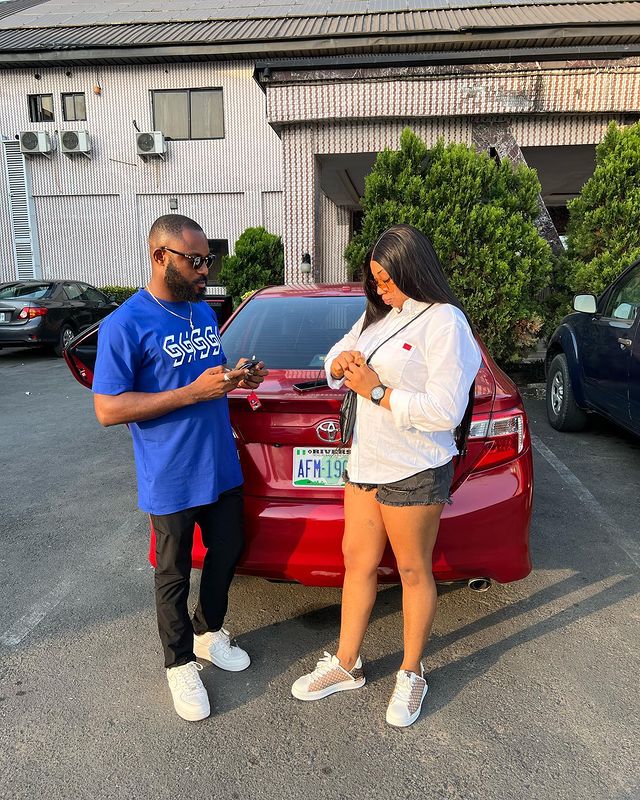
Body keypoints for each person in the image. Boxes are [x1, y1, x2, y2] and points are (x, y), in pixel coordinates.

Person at [291, 224, 481, 728]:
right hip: (366, 462)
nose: (380, 288)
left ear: (413, 270)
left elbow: (445, 409)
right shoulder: (378, 316)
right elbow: (335, 357)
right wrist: (341, 362)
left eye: (387, 279)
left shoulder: (445, 321)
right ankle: (347, 664)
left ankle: (411, 672)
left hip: (415, 467)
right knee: (357, 563)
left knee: (414, 571)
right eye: (375, 279)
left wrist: (376, 391)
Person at [92, 214, 267, 722]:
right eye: (195, 261)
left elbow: (209, 378)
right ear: (160, 256)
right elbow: (108, 409)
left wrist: (237, 378)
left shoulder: (202, 313)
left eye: (208, 260)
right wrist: (191, 393)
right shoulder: (126, 324)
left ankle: (208, 632)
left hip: (220, 463)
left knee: (228, 549)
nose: (205, 270)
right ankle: (179, 663)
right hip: (170, 471)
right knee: (172, 572)